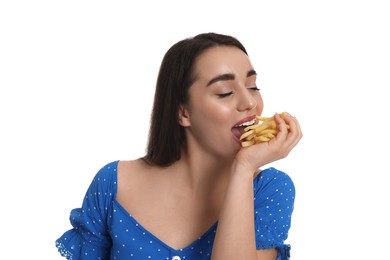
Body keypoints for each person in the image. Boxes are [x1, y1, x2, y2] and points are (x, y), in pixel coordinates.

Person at [55, 32, 302, 260]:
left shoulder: (269, 189)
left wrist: (244, 168)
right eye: (225, 92)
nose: (250, 102)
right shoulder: (113, 183)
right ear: (183, 112)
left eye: (253, 86)